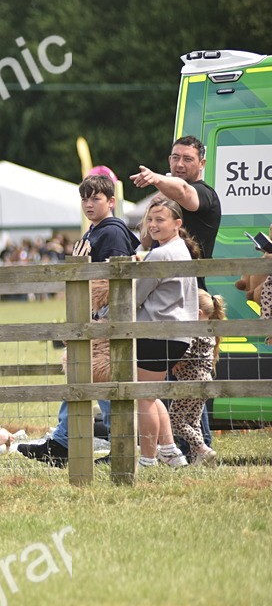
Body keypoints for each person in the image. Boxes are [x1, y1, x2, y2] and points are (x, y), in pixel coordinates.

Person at [20, 173, 140, 467]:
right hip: (92, 321)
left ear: (111, 202)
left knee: (107, 387)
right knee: (82, 381)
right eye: (84, 198)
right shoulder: (94, 231)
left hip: (106, 323)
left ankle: (119, 446)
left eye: (96, 198)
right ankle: (63, 443)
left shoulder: (111, 233)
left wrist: (101, 322)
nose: (88, 204)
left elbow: (114, 285)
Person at [133, 197, 198, 468]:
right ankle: (171, 452)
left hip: (156, 331)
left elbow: (136, 294)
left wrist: (103, 315)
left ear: (177, 223)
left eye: (160, 220)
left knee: (143, 396)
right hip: (179, 334)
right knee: (152, 392)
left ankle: (147, 460)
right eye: (150, 219)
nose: (153, 225)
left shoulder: (160, 254)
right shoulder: (182, 249)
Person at [130, 135, 220, 287]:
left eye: (188, 159)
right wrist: (154, 204)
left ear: (202, 163)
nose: (179, 164)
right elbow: (145, 241)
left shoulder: (204, 193)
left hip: (189, 288)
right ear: (169, 160)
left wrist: (156, 179)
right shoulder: (162, 197)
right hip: (158, 285)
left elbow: (183, 190)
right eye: (175, 158)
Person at [169, 290, 225, 466]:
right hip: (203, 380)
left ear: (198, 313)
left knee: (175, 421)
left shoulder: (195, 330)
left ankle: (203, 449)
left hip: (190, 380)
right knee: (193, 422)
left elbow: (188, 351)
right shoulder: (209, 330)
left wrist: (174, 361)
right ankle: (198, 461)